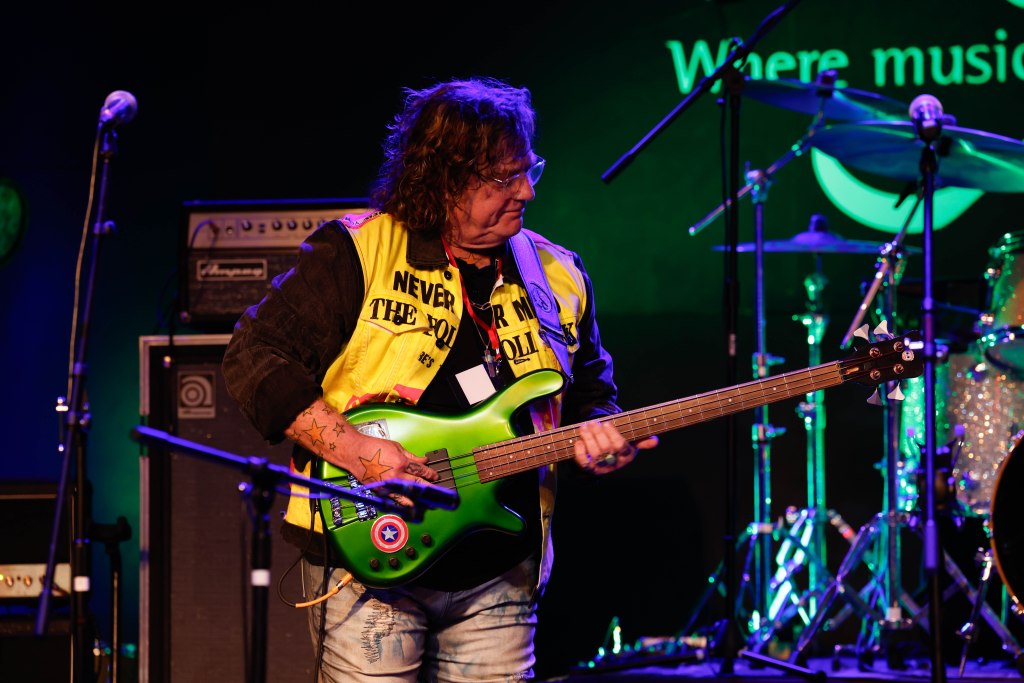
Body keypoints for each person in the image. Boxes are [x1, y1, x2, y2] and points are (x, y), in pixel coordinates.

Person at [222, 76, 658, 682]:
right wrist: (356, 452)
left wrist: (602, 437)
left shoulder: (558, 272)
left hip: (502, 570)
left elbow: (590, 396)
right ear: (446, 180)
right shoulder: (358, 251)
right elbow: (255, 355)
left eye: (529, 170)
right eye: (505, 178)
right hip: (370, 563)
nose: (528, 190)